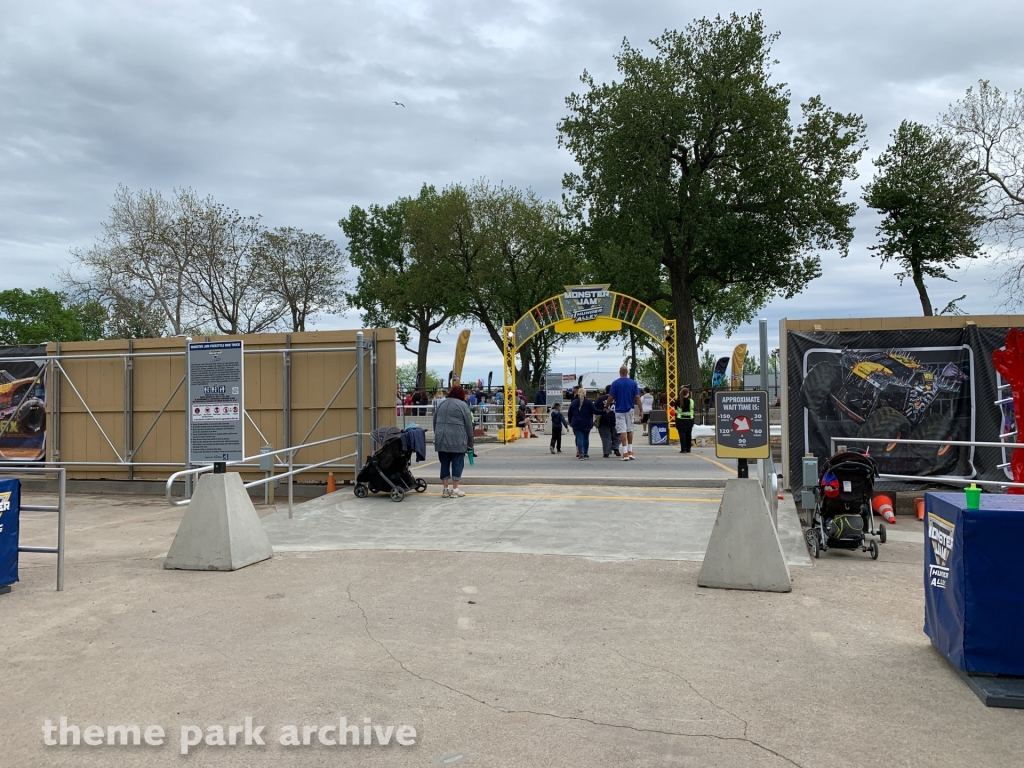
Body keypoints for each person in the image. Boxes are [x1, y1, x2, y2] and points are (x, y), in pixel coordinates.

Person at [433, 384, 474, 498]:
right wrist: (470, 442)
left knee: (444, 463)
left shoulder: (441, 404)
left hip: (441, 439)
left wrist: (438, 434)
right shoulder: (462, 405)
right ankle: (455, 489)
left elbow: (434, 421)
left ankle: (445, 489)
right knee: (457, 463)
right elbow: (468, 425)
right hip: (457, 439)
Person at [607, 365, 642, 461]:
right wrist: (641, 410)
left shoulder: (615, 383)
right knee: (629, 430)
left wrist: (607, 406)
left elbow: (610, 397)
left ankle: (625, 452)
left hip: (619, 410)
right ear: (627, 372)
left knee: (622, 430)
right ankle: (630, 451)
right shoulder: (633, 383)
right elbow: (637, 397)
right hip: (630, 409)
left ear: (620, 372)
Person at [566, 387, 599, 460]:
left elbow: (569, 414)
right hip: (587, 423)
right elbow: (595, 411)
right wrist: (604, 411)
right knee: (586, 438)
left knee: (579, 438)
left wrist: (570, 421)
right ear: (585, 393)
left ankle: (580, 454)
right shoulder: (589, 402)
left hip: (576, 423)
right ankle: (586, 453)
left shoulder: (573, 402)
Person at [595, 385, 619, 458]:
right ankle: (615, 447)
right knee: (618, 435)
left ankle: (606, 452)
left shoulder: (600, 398)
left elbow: (594, 408)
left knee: (606, 437)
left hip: (603, 420)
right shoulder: (618, 398)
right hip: (616, 419)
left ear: (605, 390)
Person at [673, 386, 695, 453]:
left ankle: (683, 449)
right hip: (689, 420)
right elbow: (693, 409)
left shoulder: (677, 401)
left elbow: (676, 411)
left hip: (680, 420)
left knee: (682, 435)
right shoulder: (691, 401)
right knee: (688, 434)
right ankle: (688, 448)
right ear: (688, 394)